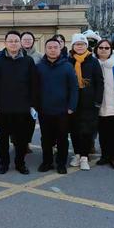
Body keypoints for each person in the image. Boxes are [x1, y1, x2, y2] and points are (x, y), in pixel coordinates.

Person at [0, 30, 37, 175]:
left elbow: (34, 83)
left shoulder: (28, 61)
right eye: (10, 41)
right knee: (3, 137)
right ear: (5, 43)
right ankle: (3, 163)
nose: (13, 43)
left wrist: (32, 103)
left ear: (20, 43)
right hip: (3, 106)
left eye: (16, 41)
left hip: (23, 106)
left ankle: (20, 163)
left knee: (21, 138)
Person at [36, 38, 78, 174]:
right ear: (46, 49)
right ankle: (47, 162)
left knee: (62, 138)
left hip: (63, 110)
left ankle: (61, 163)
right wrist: (36, 105)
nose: (52, 50)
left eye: (55, 47)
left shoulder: (67, 66)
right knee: (46, 138)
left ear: (60, 49)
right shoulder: (39, 66)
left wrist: (72, 106)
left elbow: (74, 88)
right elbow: (35, 88)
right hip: (44, 109)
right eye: (50, 47)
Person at [68, 33, 104, 171]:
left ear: (86, 46)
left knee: (87, 130)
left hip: (89, 102)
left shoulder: (93, 61)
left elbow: (99, 82)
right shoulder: (69, 61)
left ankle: (84, 156)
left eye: (82, 44)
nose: (80, 47)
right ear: (73, 46)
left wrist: (98, 101)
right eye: (77, 44)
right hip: (73, 101)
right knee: (75, 130)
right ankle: (77, 154)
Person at [94, 39, 114, 169]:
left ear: (111, 49)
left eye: (107, 48)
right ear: (97, 49)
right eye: (101, 47)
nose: (104, 50)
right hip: (99, 104)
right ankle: (105, 155)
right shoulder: (93, 64)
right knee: (103, 132)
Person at [20, 31, 42, 155]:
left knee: (30, 120)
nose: (27, 41)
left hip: (33, 92)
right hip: (18, 93)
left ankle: (27, 143)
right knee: (18, 120)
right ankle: (18, 142)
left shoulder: (39, 56)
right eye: (25, 39)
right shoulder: (16, 54)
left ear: (33, 41)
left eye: (29, 39)